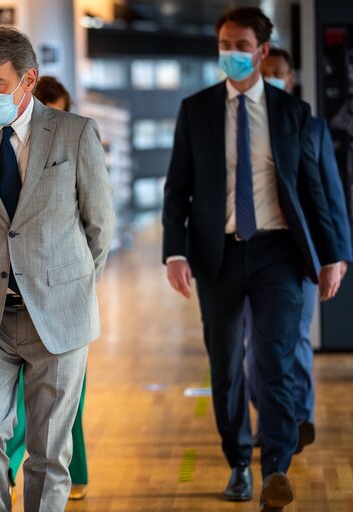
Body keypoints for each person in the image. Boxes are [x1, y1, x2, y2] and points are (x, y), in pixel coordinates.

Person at [162, 7, 345, 512]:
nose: (231, 54)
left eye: (241, 45)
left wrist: (333, 256)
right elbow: (177, 190)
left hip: (278, 253)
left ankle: (275, 469)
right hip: (216, 255)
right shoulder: (195, 110)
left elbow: (313, 191)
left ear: (262, 52)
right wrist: (174, 252)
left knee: (275, 362)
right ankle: (239, 462)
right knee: (226, 365)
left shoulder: (291, 114)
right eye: (224, 43)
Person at [0, 27, 115, 511]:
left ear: (28, 79)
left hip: (59, 314)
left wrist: (67, 286)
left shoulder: (76, 133)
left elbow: (99, 225)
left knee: (49, 451)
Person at [244, 47, 352, 452]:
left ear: (291, 80)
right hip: (251, 251)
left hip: (301, 254)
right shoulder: (241, 126)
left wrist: (335, 255)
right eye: (264, 71)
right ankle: (271, 418)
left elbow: (331, 194)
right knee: (254, 343)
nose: (271, 77)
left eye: (278, 73)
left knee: (296, 338)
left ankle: (299, 416)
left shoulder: (311, 126)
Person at [3, 75, 90, 503]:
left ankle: (77, 473)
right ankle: (11, 465)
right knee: (15, 408)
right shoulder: (2, 146)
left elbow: (97, 222)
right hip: (6, 305)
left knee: (63, 413)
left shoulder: (78, 138)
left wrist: (77, 283)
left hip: (63, 304)